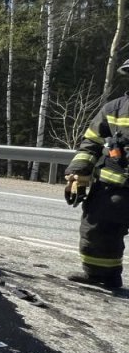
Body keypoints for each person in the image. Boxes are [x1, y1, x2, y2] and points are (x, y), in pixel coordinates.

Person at [63, 60, 129, 291]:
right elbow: (91, 142)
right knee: (97, 230)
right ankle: (101, 275)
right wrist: (78, 173)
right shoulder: (114, 108)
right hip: (112, 188)